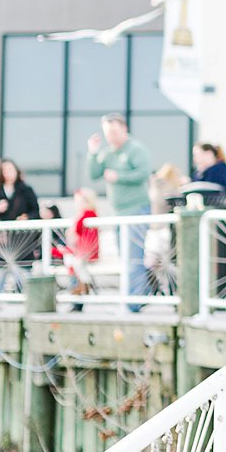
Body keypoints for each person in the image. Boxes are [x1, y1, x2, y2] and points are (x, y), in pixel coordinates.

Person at [85, 115, 153, 309]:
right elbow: (93, 173)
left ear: (124, 128)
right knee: (125, 257)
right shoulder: (108, 153)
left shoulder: (136, 149)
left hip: (136, 209)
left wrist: (119, 176)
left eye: (114, 132)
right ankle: (141, 293)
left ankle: (133, 303)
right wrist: (92, 152)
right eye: (108, 133)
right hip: (117, 212)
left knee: (133, 256)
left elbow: (144, 172)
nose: (111, 137)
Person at [0, 159, 43, 292]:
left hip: (22, 238)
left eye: (10, 170)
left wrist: (27, 217)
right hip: (4, 238)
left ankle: (28, 297)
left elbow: (36, 211)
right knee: (1, 269)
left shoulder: (26, 190)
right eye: (4, 171)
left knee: (23, 270)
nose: (8, 174)